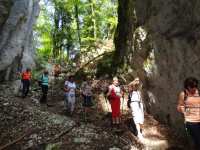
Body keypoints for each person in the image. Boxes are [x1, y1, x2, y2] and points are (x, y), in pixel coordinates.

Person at [177, 77, 200, 149]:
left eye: (196, 86)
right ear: (187, 86)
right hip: (191, 122)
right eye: (192, 87)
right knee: (198, 140)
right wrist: (184, 111)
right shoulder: (183, 94)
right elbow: (179, 106)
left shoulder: (198, 92)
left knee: (197, 142)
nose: (194, 88)